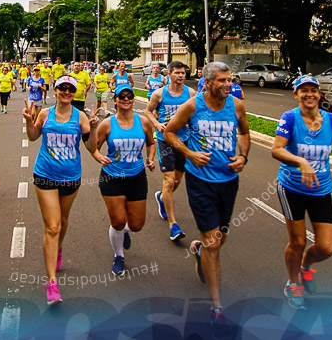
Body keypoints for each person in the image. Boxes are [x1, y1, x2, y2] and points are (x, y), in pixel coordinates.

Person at [163, 61, 249, 339]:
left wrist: (243, 156)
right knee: (214, 243)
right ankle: (217, 307)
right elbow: (169, 132)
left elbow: (245, 133)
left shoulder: (236, 105)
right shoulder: (192, 105)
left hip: (228, 182)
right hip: (200, 182)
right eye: (222, 80)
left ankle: (199, 249)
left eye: (230, 80)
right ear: (208, 82)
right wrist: (189, 155)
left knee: (220, 239)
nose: (228, 84)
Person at [271, 75, 332, 310]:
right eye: (304, 91)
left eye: (313, 90)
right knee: (298, 241)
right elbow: (277, 150)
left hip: (322, 188)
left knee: (326, 248)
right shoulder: (290, 118)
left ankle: (305, 267)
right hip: (292, 187)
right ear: (296, 95)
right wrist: (301, 161)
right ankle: (292, 283)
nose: (309, 94)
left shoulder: (331, 120)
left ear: (319, 94)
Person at [26, 75, 107, 305]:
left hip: (71, 177)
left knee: (62, 220)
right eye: (62, 88)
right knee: (52, 226)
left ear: (74, 92)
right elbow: (33, 137)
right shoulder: (45, 114)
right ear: (55, 90)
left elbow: (91, 147)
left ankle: (57, 248)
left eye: (70, 89)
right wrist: (27, 121)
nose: (66, 92)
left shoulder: (80, 117)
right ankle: (51, 282)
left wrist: (93, 128)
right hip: (45, 175)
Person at [92, 83, 156, 275]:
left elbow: (151, 143)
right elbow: (93, 147)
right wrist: (98, 156)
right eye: (122, 97)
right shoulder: (107, 124)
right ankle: (118, 255)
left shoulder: (143, 122)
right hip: (112, 178)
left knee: (136, 225)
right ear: (115, 100)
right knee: (118, 221)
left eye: (129, 96)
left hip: (136, 177)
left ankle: (126, 232)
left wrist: (150, 159)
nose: (126, 99)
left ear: (133, 98)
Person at [146, 61, 192, 242]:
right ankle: (173, 225)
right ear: (170, 74)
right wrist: (157, 124)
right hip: (165, 140)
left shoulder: (191, 94)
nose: (181, 76)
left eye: (183, 73)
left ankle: (162, 197)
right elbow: (149, 111)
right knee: (169, 180)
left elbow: (196, 111)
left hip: (184, 140)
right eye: (177, 73)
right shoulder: (159, 94)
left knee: (177, 180)